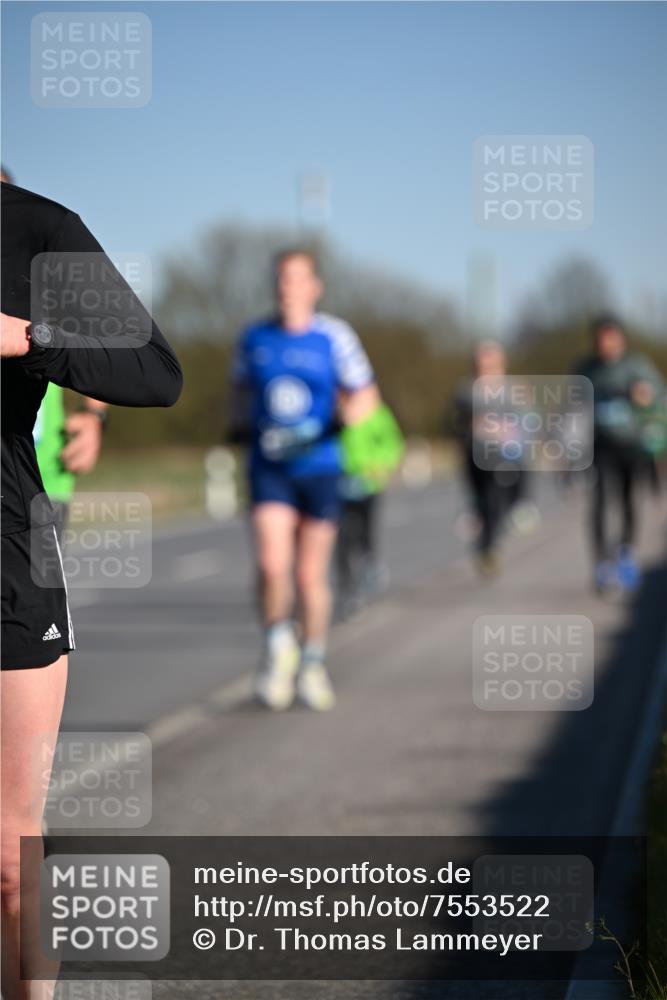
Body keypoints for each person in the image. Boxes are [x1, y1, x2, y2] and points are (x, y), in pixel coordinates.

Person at [1, 179, 182, 999]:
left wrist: (28, 338)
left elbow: (155, 371)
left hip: (8, 555)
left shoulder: (38, 229)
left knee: (10, 859)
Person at [229, 249, 378, 711]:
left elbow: (366, 396)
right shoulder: (254, 337)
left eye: (296, 279)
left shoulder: (334, 336)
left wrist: (332, 425)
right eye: (280, 279)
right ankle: (278, 649)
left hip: (320, 468)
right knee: (272, 566)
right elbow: (238, 393)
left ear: (315, 287)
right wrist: (239, 428)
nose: (287, 287)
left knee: (309, 575)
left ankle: (312, 662)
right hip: (269, 468)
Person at [575, 314, 665, 593]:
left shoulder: (636, 365)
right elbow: (572, 403)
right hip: (600, 445)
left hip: (631, 444)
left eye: (611, 338)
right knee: (599, 501)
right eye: (602, 339)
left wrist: (645, 396)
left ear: (620, 339)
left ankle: (625, 553)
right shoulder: (586, 368)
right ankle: (602, 562)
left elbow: (658, 396)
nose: (607, 344)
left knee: (628, 501)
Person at [450, 340, 532, 577]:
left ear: (501, 363)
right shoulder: (465, 391)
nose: (485, 367)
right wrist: (469, 427)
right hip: (473, 455)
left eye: (490, 362)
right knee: (479, 502)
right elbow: (452, 423)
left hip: (501, 458)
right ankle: (484, 545)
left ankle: (490, 547)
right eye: (481, 362)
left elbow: (528, 423)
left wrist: (508, 431)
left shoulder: (513, 391)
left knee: (494, 500)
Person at [336, 400, 404, 617]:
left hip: (369, 483)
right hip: (339, 483)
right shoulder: (333, 411)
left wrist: (382, 464)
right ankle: (349, 589)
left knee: (365, 533)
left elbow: (392, 442)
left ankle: (370, 562)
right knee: (342, 539)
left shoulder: (376, 412)